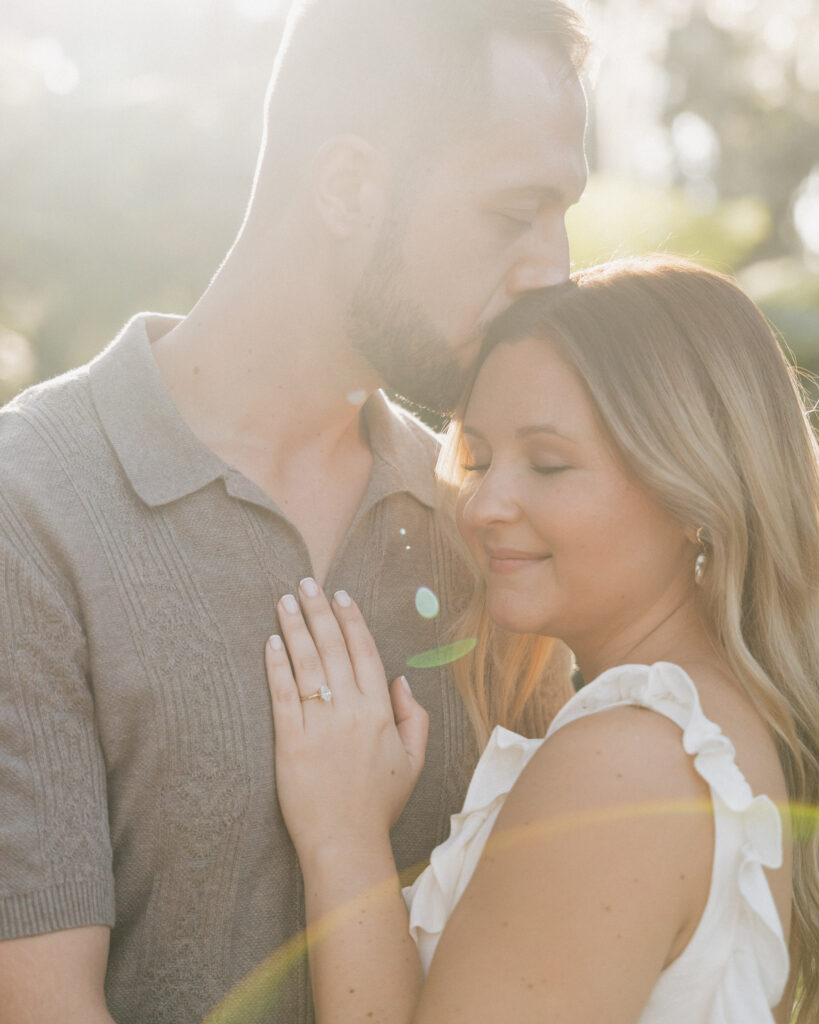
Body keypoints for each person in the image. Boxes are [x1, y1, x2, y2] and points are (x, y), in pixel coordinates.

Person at [0, 2, 589, 1022]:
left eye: (564, 212)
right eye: (513, 213)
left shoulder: (485, 525)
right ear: (350, 185)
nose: (555, 268)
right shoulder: (32, 505)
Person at [265, 255, 819, 1024]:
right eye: (479, 458)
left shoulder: (624, 762)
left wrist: (343, 839)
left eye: (549, 464)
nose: (483, 503)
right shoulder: (726, 727)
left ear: (695, 494)